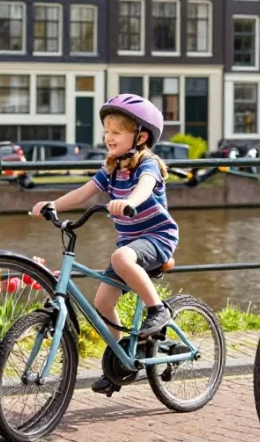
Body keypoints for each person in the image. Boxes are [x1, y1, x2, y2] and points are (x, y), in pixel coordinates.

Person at [30, 94, 178, 395]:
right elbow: (84, 192)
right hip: (130, 244)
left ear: (141, 137)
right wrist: (53, 204)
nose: (109, 137)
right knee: (102, 302)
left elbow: (145, 187)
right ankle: (120, 361)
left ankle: (158, 310)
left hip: (157, 238)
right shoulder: (111, 168)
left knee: (120, 257)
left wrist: (130, 201)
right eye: (107, 131)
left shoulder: (147, 164)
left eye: (117, 132)